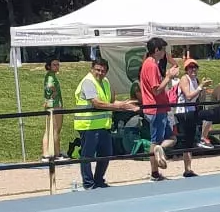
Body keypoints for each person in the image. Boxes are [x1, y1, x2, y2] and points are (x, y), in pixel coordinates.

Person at [74, 54, 135, 189]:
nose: (100, 73)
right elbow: (97, 103)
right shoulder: (88, 82)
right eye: (97, 70)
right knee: (87, 156)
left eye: (102, 70)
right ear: (92, 69)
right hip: (88, 125)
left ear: (106, 71)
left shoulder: (106, 82)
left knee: (106, 154)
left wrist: (127, 104)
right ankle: (88, 183)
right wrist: (119, 106)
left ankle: (99, 180)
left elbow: (111, 101)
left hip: (103, 125)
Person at [137, 37, 175, 181]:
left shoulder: (150, 64)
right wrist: (168, 77)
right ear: (157, 50)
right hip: (156, 108)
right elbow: (156, 90)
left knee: (170, 138)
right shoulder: (151, 65)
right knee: (156, 142)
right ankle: (154, 171)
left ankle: (156, 168)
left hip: (158, 108)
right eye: (163, 49)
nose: (164, 52)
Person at [40, 57, 66, 165]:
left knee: (49, 129)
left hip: (50, 104)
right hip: (54, 105)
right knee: (56, 129)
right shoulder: (51, 76)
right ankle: (56, 153)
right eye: (54, 64)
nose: (57, 66)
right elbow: (50, 86)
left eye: (58, 64)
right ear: (49, 66)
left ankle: (46, 153)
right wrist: (54, 92)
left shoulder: (50, 75)